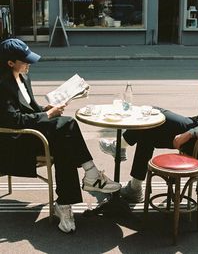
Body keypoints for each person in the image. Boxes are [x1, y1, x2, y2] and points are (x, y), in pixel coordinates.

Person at [0, 38, 121, 233]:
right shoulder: (2, 85)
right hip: (16, 141)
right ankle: (89, 177)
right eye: (25, 61)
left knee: (64, 140)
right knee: (68, 125)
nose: (29, 64)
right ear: (10, 63)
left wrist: (44, 108)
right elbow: (13, 121)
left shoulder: (23, 77)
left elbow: (28, 108)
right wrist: (47, 114)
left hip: (32, 134)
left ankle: (65, 204)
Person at [100, 39, 198, 203]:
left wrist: (190, 133)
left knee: (155, 113)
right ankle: (135, 188)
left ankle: (120, 146)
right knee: (147, 129)